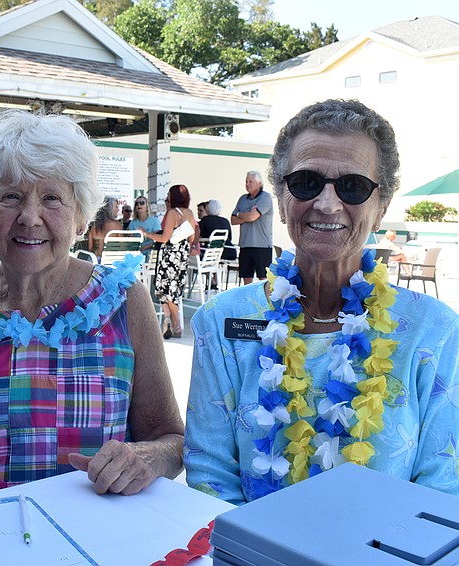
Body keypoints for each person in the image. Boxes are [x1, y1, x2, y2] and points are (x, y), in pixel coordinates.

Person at [0, 111, 184, 509]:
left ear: (81, 216)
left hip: (92, 540)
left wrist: (148, 458)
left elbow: (171, 439)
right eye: (10, 196)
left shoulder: (123, 303)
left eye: (52, 198)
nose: (30, 217)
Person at [186, 99, 459, 505]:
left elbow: (443, 487)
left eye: (352, 186)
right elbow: (211, 477)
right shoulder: (222, 321)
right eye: (306, 182)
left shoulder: (433, 330)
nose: (327, 204)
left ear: (381, 206)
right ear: (281, 200)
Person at [137, 184, 198, 340]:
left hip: (169, 255)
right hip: (182, 255)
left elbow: (164, 238)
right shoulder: (190, 213)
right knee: (173, 290)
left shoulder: (172, 213)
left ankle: (175, 322)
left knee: (164, 290)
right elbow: (191, 237)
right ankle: (168, 321)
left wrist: (147, 234)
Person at [231, 171, 274, 283]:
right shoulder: (242, 199)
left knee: (263, 280)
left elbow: (252, 217)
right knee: (246, 280)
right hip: (245, 245)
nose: (247, 184)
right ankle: (248, 301)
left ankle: (264, 301)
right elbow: (233, 220)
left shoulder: (265, 198)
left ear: (259, 183)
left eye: (251, 181)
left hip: (262, 246)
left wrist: (240, 214)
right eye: (246, 181)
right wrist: (246, 215)